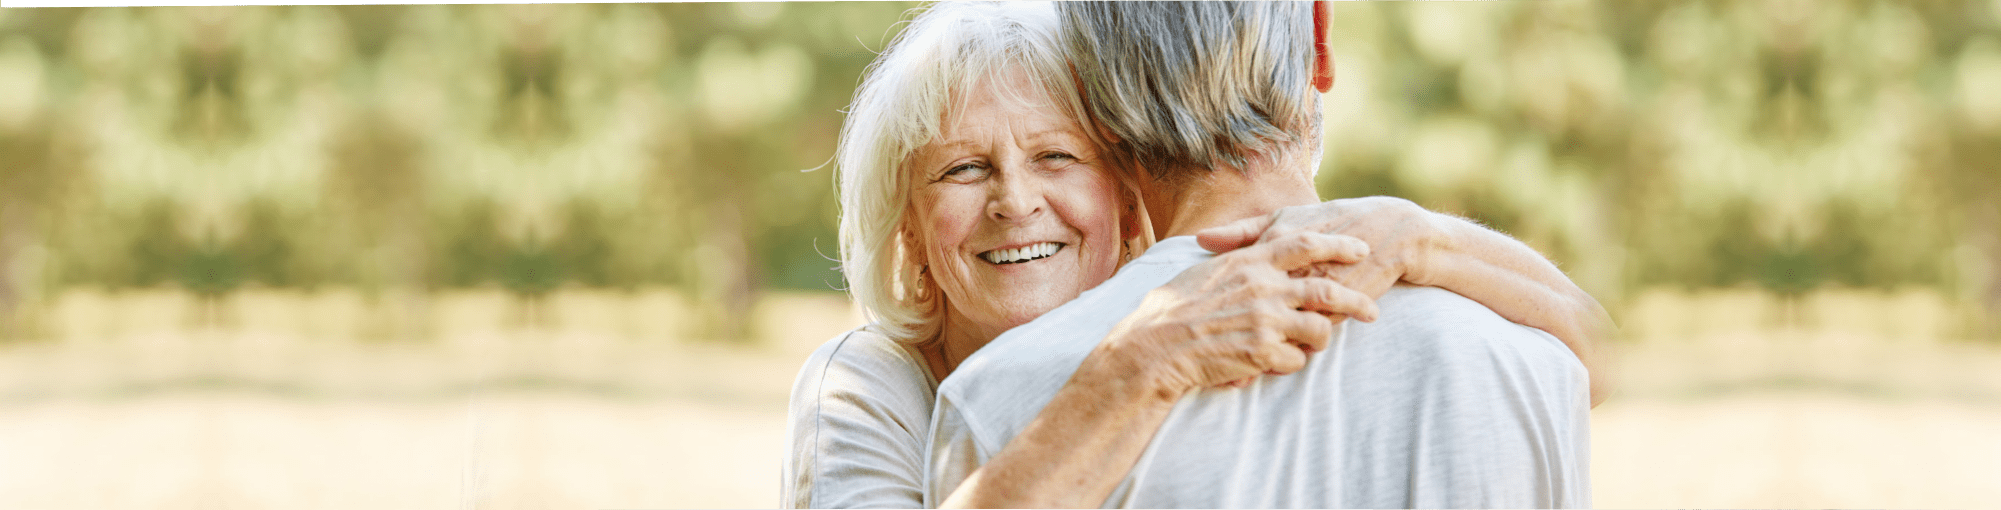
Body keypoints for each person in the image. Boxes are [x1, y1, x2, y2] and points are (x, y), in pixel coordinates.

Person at [787, 2, 1610, 508]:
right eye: (963, 169)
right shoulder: (888, 392)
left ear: (1112, 156)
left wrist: (1423, 234)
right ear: (902, 226)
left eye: (1056, 157)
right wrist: (1139, 361)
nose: (1014, 202)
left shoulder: (997, 395)